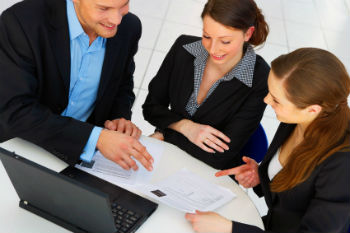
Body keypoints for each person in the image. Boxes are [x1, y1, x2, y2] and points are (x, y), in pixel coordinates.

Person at [185, 48, 350, 233]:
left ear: (312, 110)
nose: (266, 99)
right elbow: (293, 193)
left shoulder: (342, 166)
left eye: (276, 100)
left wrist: (230, 229)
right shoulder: (298, 120)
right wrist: (261, 177)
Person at [0, 0, 154, 171]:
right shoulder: (21, 22)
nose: (116, 20)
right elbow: (14, 110)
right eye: (104, 8)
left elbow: (122, 83)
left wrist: (118, 118)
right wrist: (96, 138)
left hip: (78, 157)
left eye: (124, 4)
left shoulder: (129, 27)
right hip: (19, 146)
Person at [142, 0, 270, 170]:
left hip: (209, 172)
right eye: (207, 36)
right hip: (167, 155)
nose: (213, 49)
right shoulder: (183, 48)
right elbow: (151, 108)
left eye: (225, 41)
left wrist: (166, 133)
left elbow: (220, 156)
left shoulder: (260, 79)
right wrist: (185, 127)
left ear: (248, 34)